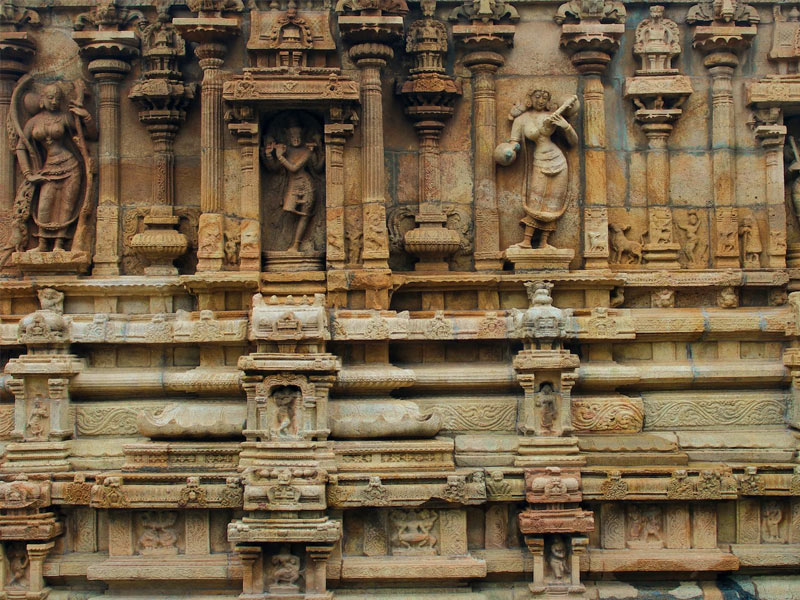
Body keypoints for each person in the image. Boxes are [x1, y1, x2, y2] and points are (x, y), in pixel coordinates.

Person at [15, 83, 95, 252]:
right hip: (48, 168)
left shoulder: (65, 117)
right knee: (44, 205)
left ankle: (59, 244)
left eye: (57, 98)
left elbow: (92, 135)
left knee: (66, 206)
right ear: (42, 99)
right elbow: (21, 147)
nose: (54, 101)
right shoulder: (33, 122)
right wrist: (28, 174)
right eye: (50, 98)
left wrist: (86, 117)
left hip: (70, 166)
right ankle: (42, 244)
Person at [495, 90, 578, 250]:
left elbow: (573, 142)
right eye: (537, 97)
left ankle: (544, 242)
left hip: (558, 160)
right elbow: (514, 141)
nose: (541, 100)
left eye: (545, 98)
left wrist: (566, 126)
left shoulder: (554, 115)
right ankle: (526, 241)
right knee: (536, 198)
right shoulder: (521, 120)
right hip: (539, 160)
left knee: (553, 200)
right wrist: (509, 151)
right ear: (530, 98)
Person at [262, 116, 324, 252]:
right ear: (288, 136)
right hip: (291, 185)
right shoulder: (286, 150)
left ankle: (296, 244)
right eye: (292, 135)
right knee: (286, 212)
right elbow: (274, 168)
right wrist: (269, 155)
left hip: (306, 185)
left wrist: (320, 151)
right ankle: (279, 241)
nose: (295, 138)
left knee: (304, 215)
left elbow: (296, 168)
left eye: (298, 135)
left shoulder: (307, 151)